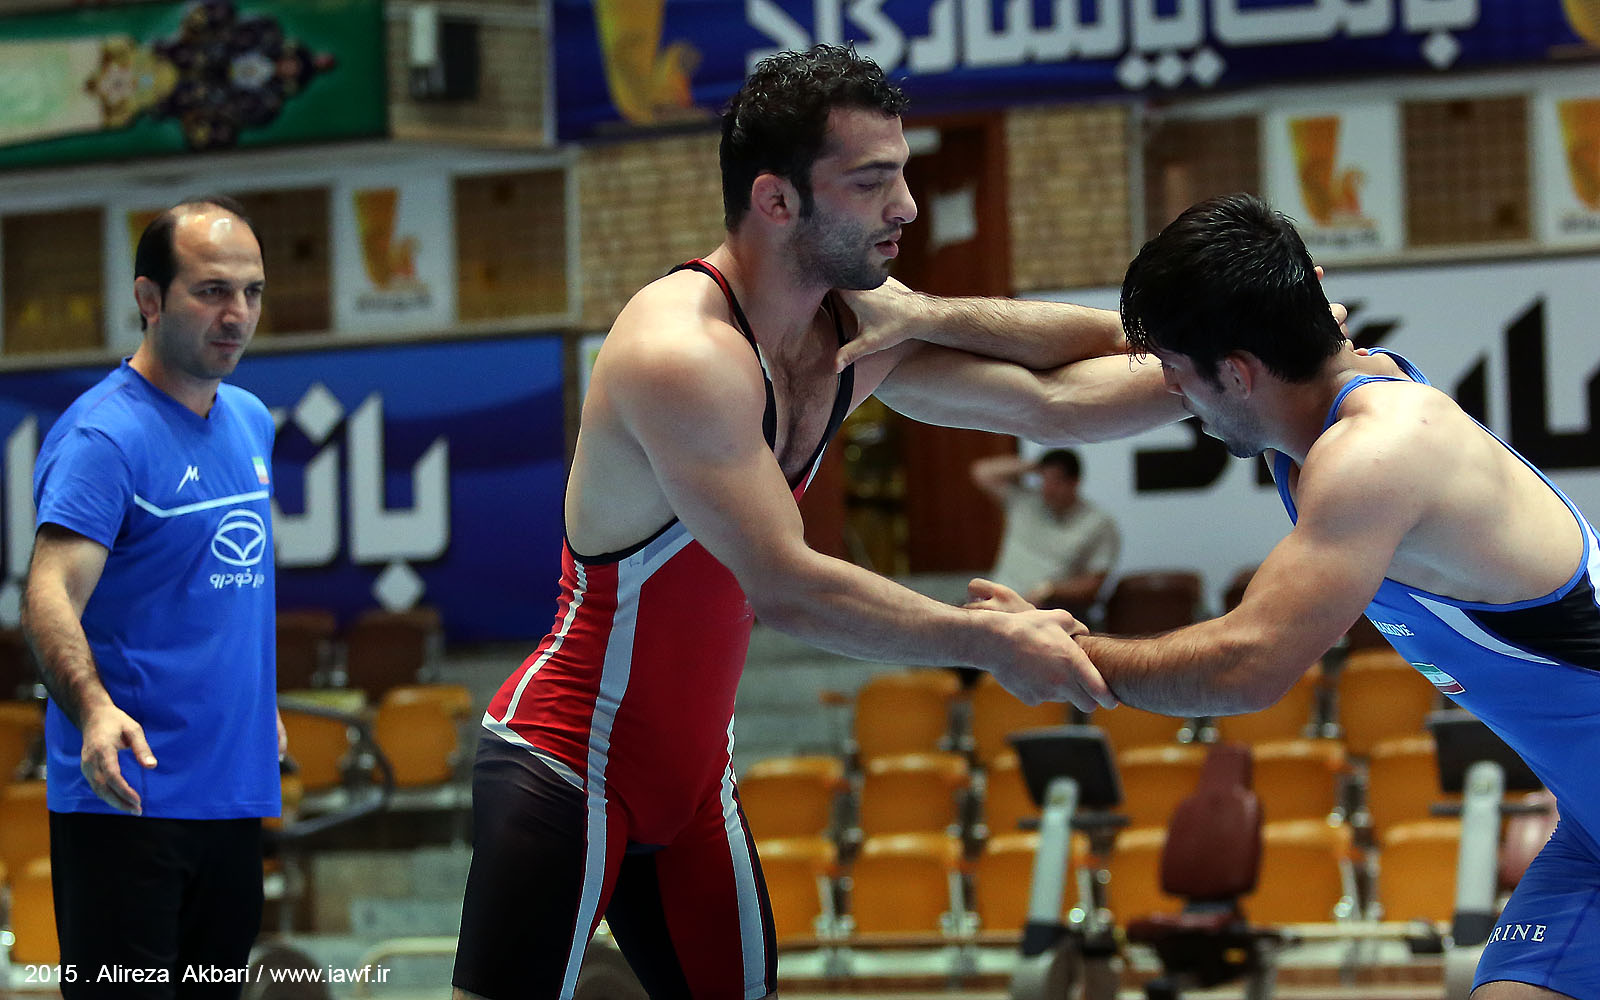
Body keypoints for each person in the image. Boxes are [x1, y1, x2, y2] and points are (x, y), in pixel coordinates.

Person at [451, 44, 1181, 1000]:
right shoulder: (682, 353)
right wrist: (988, 638)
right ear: (777, 200)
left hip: (693, 784)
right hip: (566, 760)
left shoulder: (847, 329)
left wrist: (1243, 362)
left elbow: (1056, 403)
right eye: (872, 183)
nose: (906, 207)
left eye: (903, 175)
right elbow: (786, 585)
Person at [966, 192, 1600, 1000]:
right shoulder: (1300, 379)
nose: (1170, 393)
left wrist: (1061, 654)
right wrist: (897, 319)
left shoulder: (1378, 451)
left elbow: (1247, 665)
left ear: (1235, 372)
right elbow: (1043, 394)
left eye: (1174, 374)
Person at [21, 197, 281, 997]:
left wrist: (256, 701)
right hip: (127, 802)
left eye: (251, 291)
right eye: (211, 291)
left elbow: (216, 587)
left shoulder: (250, 421)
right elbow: (48, 593)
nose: (237, 314)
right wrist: (94, 710)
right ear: (149, 298)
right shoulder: (103, 438)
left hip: (232, 798)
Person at [971, 447, 1119, 617]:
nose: (1049, 489)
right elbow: (982, 472)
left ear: (1075, 482)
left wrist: (1051, 590)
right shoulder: (1024, 502)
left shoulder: (1098, 523)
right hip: (995, 603)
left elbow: (1093, 584)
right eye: (1044, 480)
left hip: (1045, 611)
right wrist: (1036, 465)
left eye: (1056, 481)